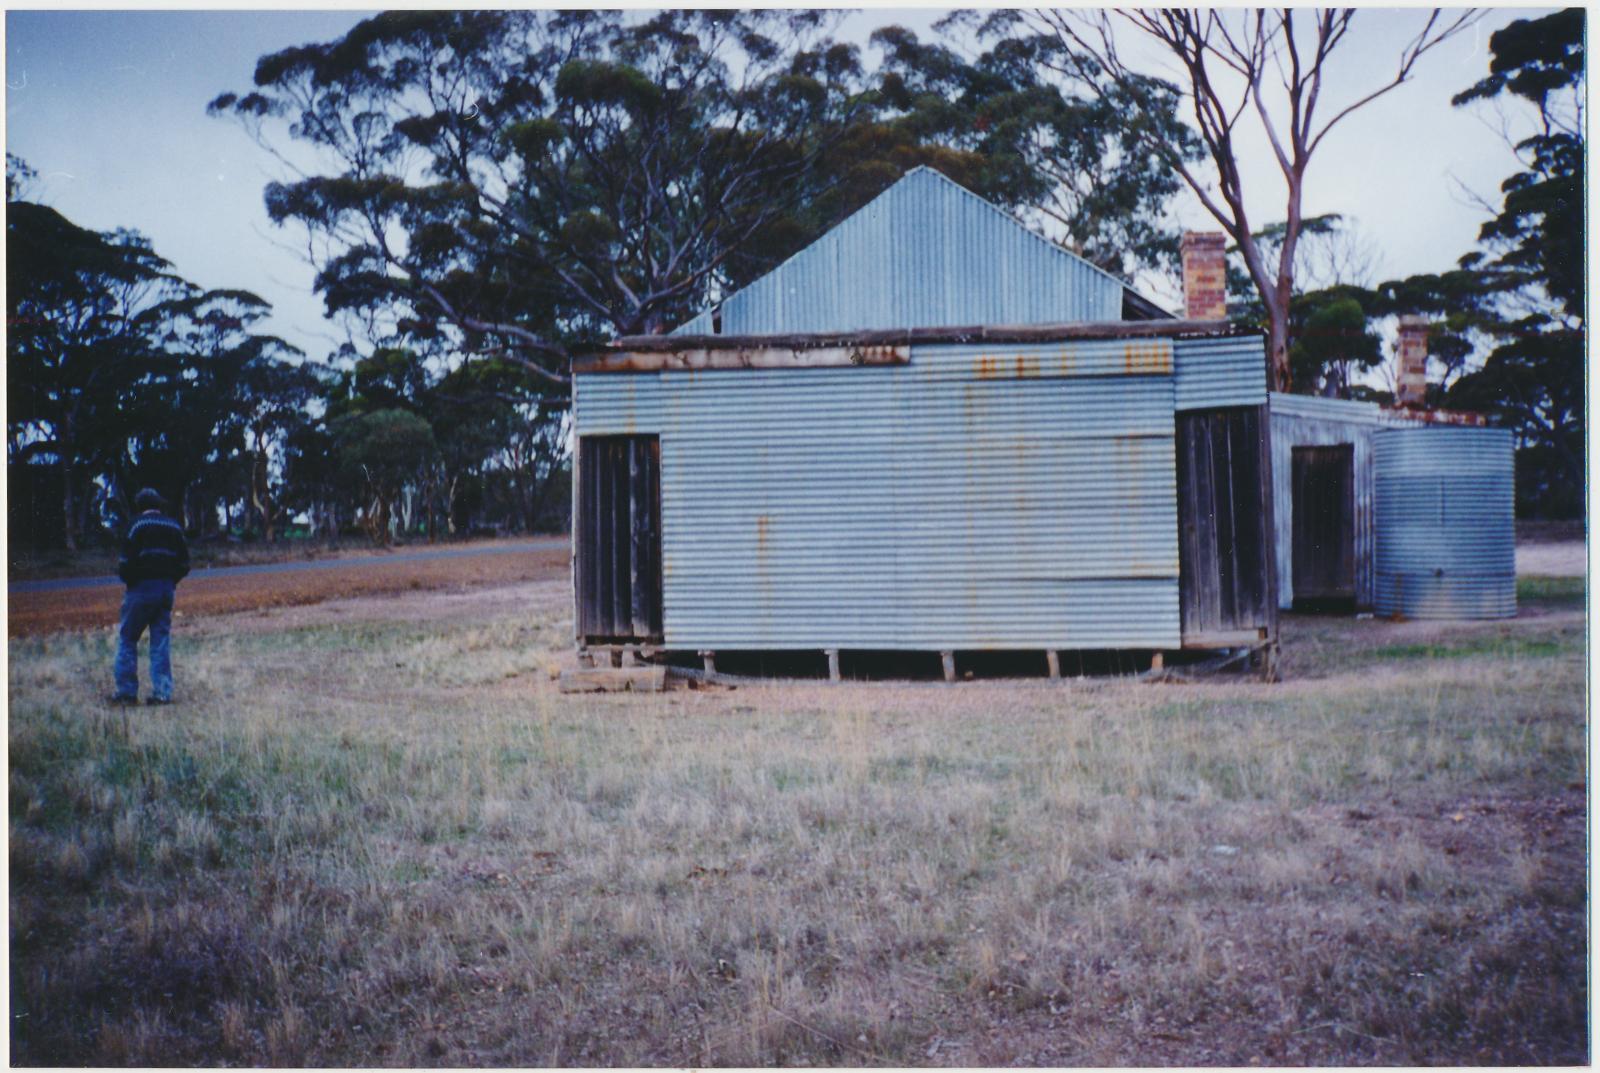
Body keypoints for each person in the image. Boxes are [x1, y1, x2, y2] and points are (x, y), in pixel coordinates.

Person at [110, 488, 190, 705]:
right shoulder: (173, 526)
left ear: (139, 506)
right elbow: (185, 563)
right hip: (166, 590)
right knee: (160, 641)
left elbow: (125, 564)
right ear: (158, 504)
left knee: (128, 638)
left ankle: (126, 692)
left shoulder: (135, 526)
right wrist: (171, 579)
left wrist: (134, 581)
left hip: (141, 590)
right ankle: (162, 692)